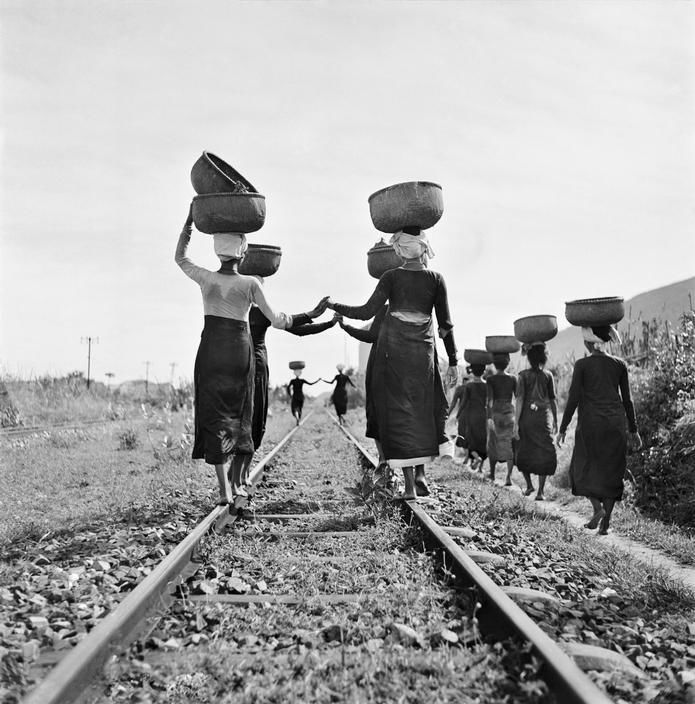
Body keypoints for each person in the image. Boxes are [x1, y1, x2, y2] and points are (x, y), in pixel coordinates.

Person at [175, 207, 294, 508]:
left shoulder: (206, 278)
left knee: (214, 414)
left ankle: (223, 489)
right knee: (241, 414)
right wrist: (296, 319)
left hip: (211, 349)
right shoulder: (251, 284)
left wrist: (190, 221)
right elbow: (277, 320)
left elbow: (180, 258)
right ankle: (234, 479)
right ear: (242, 254)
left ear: (218, 253)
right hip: (239, 352)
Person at [327, 228, 458, 500]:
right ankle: (418, 477)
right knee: (420, 412)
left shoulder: (391, 277)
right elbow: (445, 326)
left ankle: (410, 486)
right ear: (423, 249)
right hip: (423, 355)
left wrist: (335, 306)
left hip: (395, 356)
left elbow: (365, 311)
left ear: (399, 250)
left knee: (400, 416)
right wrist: (454, 360)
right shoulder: (436, 279)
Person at [236, 296, 336, 499]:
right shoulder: (258, 310)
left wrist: (326, 323)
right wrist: (328, 322)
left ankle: (238, 476)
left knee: (245, 422)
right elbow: (297, 329)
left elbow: (296, 327)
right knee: (253, 423)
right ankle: (239, 475)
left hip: (240, 366)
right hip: (253, 367)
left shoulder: (239, 308)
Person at [557, 326, 642, 534]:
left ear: (588, 343)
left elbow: (574, 398)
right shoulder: (619, 365)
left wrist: (563, 428)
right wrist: (634, 429)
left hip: (591, 424)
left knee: (581, 468)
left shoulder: (582, 365)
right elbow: (627, 400)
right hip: (615, 424)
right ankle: (605, 525)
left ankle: (597, 509)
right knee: (611, 471)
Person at [336, 307, 388, 465]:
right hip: (405, 364)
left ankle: (383, 459)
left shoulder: (383, 309)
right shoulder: (413, 306)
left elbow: (370, 335)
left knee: (376, 412)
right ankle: (416, 472)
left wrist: (345, 326)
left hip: (381, 365)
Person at [514, 343, 557, 499]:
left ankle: (529, 485)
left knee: (524, 450)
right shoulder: (548, 375)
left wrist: (516, 424)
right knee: (545, 452)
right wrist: (556, 421)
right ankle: (540, 491)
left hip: (527, 420)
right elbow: (553, 400)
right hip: (543, 419)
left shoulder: (523, 375)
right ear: (543, 358)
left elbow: (519, 400)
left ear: (529, 358)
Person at [486, 353, 517, 485]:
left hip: (496, 414)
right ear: (507, 363)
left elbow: (489, 401)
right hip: (510, 413)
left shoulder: (491, 379)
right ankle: (508, 477)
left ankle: (492, 475)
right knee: (509, 446)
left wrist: (489, 418)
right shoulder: (513, 379)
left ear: (494, 364)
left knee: (493, 444)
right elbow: (518, 398)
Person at [456, 364, 488, 470]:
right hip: (483, 415)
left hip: (472, 416)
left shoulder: (469, 386)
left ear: (472, 372)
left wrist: (457, 415)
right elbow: (490, 403)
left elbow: (464, 402)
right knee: (482, 440)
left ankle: (476, 457)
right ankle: (480, 468)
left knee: (471, 440)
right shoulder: (487, 385)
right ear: (484, 372)